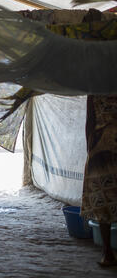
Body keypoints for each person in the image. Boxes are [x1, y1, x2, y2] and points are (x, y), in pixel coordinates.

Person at [81, 95, 117, 267]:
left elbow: (90, 120)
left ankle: (107, 252)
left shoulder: (95, 87)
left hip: (100, 149)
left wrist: (90, 148)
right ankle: (108, 252)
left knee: (103, 200)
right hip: (104, 148)